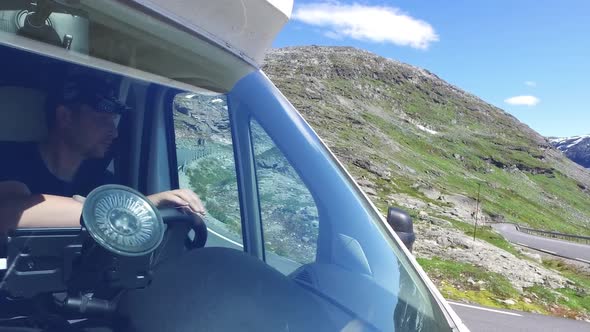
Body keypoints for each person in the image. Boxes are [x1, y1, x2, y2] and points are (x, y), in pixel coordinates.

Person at [0, 75, 205, 233]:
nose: (114, 132)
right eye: (102, 120)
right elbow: (9, 213)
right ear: (65, 117)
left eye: (113, 121)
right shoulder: (11, 159)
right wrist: (140, 207)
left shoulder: (102, 182)